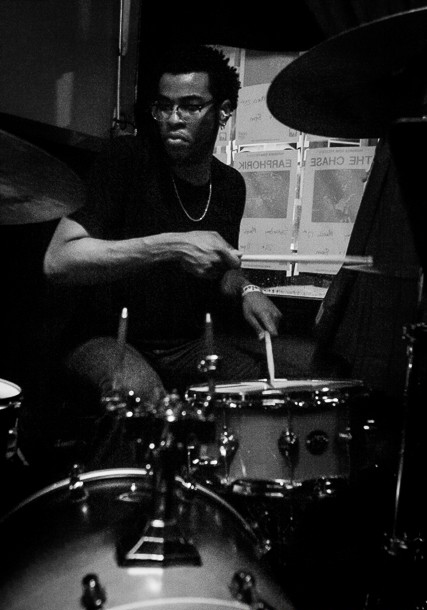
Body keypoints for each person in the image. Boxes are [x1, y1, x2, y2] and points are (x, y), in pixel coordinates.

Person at [43, 44, 339, 431]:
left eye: (190, 106)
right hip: (105, 336)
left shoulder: (230, 185)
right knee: (141, 395)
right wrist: (175, 245)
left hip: (186, 344)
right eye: (163, 106)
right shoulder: (126, 158)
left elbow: (220, 270)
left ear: (224, 111)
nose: (172, 119)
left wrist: (246, 288)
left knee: (278, 381)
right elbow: (58, 261)